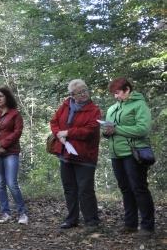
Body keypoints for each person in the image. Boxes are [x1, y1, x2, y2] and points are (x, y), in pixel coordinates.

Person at [102, 77, 155, 238]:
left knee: (139, 188)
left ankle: (147, 226)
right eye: (114, 94)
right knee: (125, 189)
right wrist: (106, 132)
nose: (116, 96)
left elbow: (142, 129)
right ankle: (130, 223)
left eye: (118, 93)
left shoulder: (140, 105)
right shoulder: (112, 109)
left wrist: (117, 129)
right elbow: (108, 128)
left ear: (127, 90)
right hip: (116, 154)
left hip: (134, 153)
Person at [50, 79, 101, 231]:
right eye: (79, 92)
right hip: (65, 152)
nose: (84, 94)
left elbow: (90, 130)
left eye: (84, 90)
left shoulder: (94, 110)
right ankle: (72, 219)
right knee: (69, 187)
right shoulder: (65, 105)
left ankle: (92, 222)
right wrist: (59, 134)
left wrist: (68, 132)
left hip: (85, 155)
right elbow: (54, 122)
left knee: (85, 189)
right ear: (72, 95)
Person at [0, 87, 28, 224]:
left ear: (7, 97)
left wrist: (2, 144)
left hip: (11, 152)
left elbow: (17, 131)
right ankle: (5, 212)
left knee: (12, 183)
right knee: (0, 184)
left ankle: (22, 214)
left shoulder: (15, 114)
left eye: (1, 96)